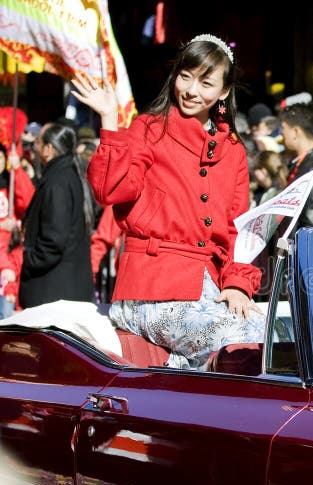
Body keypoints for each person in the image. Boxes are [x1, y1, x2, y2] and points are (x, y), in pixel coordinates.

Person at [72, 34, 265, 369]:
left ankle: (182, 370)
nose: (191, 90)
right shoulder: (149, 128)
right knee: (242, 340)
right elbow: (110, 190)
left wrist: (238, 284)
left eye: (206, 83)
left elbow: (239, 227)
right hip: (149, 288)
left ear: (224, 92)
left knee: (273, 335)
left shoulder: (233, 150)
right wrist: (109, 120)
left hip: (209, 287)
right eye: (185, 76)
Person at [18, 122, 95, 308]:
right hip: (64, 289)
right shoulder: (67, 174)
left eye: (37, 142)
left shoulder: (58, 182)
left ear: (49, 149)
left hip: (54, 293)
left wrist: (28, 259)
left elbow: (53, 240)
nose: (34, 146)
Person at [0, 142, 35, 317]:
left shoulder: (11, 182)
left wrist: (17, 169)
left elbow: (29, 201)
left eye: (0, 157)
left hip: (10, 266)